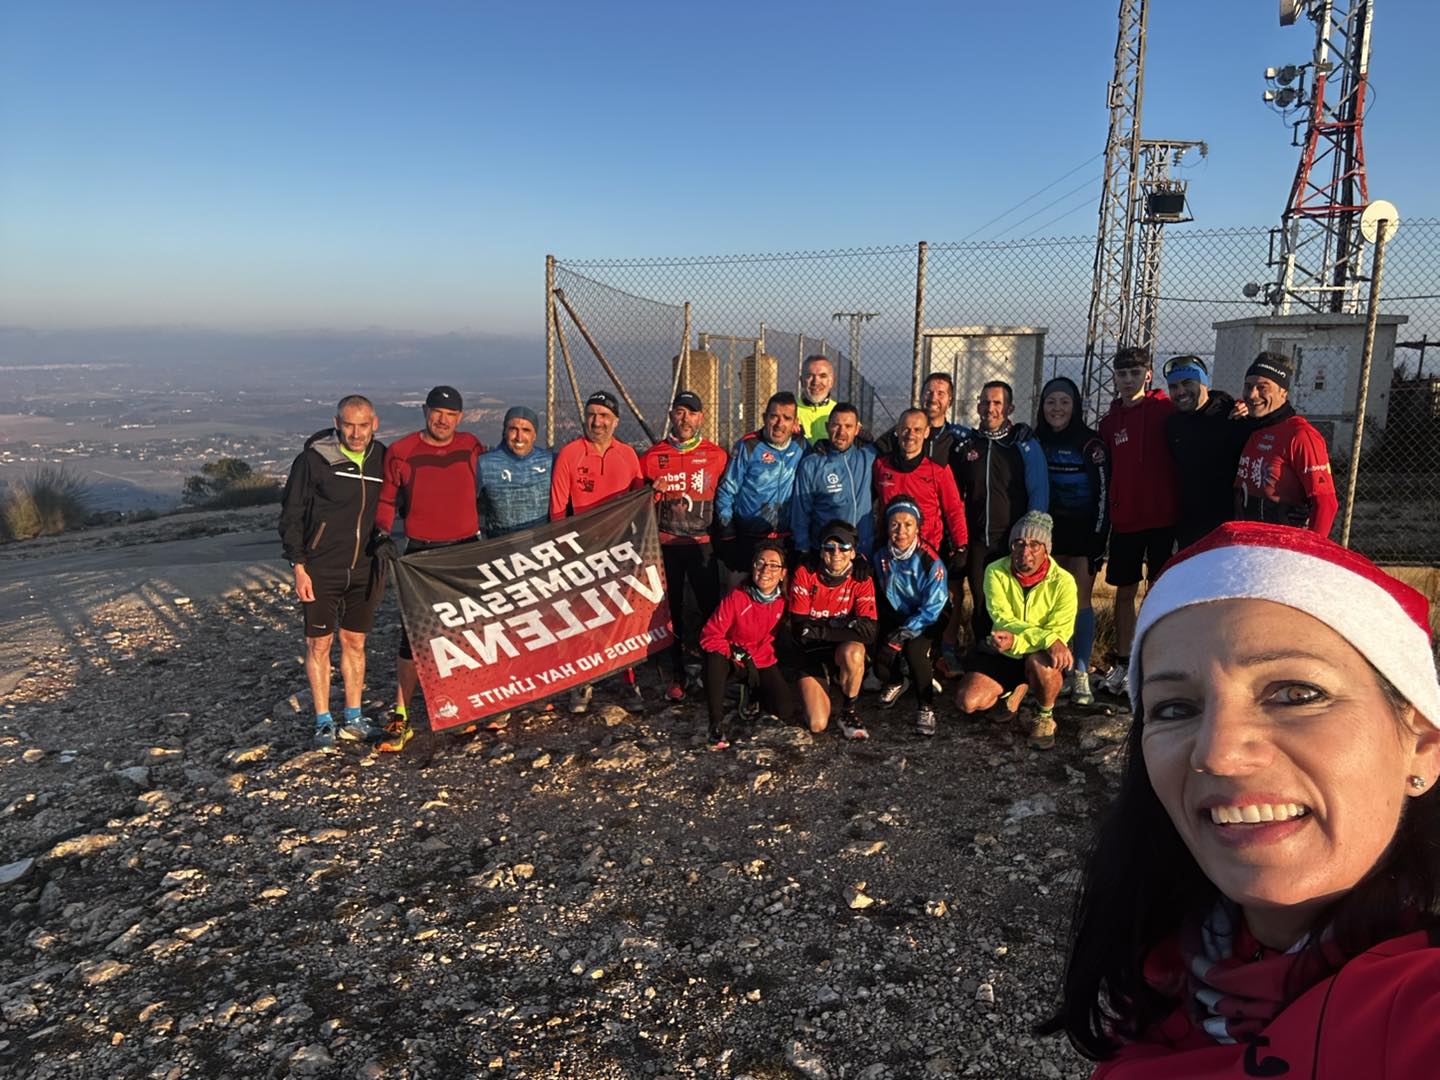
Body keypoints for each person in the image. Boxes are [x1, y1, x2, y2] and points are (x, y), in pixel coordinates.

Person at [1044, 522, 1440, 1077]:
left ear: (1421, 746)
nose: (1219, 753)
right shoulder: (1169, 970)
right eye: (1175, 708)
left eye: (1296, 694)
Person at [370, 385, 484, 752]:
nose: (442, 420)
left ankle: (464, 704)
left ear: (460, 418)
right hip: (421, 554)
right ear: (425, 411)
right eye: (437, 412)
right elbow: (387, 498)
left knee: (465, 630)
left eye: (450, 415)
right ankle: (401, 714)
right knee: (414, 637)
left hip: (465, 550)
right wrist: (383, 533)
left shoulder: (471, 446)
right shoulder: (402, 452)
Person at [278, 394, 386, 748]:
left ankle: (354, 717)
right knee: (318, 643)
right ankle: (323, 720)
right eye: (349, 425)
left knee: (355, 641)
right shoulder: (313, 461)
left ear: (375, 424)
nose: (356, 433)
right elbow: (291, 516)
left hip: (365, 567)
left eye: (363, 425)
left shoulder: (382, 459)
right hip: (321, 567)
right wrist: (298, 566)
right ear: (337, 423)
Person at [551, 389, 646, 714]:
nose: (597, 421)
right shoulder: (569, 454)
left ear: (616, 421)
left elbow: (640, 502)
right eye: (592, 414)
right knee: (583, 617)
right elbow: (557, 510)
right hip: (582, 550)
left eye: (604, 416)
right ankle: (583, 682)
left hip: (619, 549)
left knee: (622, 615)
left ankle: (627, 678)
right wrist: (565, 549)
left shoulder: (628, 456)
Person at [954, 511, 1077, 750]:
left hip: (1038, 654)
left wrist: (1042, 639)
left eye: (1034, 545)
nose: (1025, 551)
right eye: (1018, 544)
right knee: (968, 702)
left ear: (1046, 549)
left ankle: (1044, 716)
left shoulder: (1064, 582)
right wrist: (1047, 638)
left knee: (1045, 665)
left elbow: (1060, 631)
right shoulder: (995, 571)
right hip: (1006, 650)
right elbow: (1002, 619)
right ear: (1011, 546)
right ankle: (1016, 688)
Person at [1097, 347, 1178, 698]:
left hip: (1163, 518)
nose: (1128, 380)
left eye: (1135, 374)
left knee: (1158, 591)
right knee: (1124, 591)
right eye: (1122, 374)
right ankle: (1124, 661)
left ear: (1148, 375)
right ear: (1114, 378)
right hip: (1126, 519)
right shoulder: (1109, 422)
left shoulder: (1167, 411)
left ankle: (1155, 662)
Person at [640, 390, 728, 702]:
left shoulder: (717, 455)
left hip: (702, 545)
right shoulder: (652, 456)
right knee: (669, 611)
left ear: (701, 417)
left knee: (710, 610)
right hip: (666, 547)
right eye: (679, 412)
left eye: (691, 413)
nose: (685, 419)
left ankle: (711, 669)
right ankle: (676, 672)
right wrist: (651, 494)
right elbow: (639, 507)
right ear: (671, 416)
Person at [950, 380, 1050, 648]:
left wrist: (1031, 540)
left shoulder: (1023, 443)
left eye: (997, 403)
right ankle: (982, 655)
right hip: (978, 539)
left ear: (1009, 407)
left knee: (1014, 601)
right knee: (982, 601)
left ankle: (1020, 658)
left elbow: (1039, 492)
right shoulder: (968, 444)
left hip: (1013, 541)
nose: (989, 408)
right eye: (984, 402)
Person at [1035, 377, 1108, 706]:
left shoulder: (1090, 444)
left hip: (1083, 532)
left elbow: (1104, 494)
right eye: (1051, 402)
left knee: (1079, 601)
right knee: (1050, 603)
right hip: (1048, 533)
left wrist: (1099, 538)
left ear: (1075, 406)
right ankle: (1056, 669)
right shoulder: (1036, 440)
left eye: (1064, 402)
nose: (1057, 409)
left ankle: (1081, 672)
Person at [698, 538, 793, 750]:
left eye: (773, 565)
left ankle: (747, 691)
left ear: (782, 573)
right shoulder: (737, 597)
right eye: (760, 563)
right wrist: (737, 653)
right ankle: (715, 724)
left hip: (761, 658)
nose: (766, 570)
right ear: (753, 567)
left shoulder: (784, 601)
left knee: (784, 708)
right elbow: (709, 636)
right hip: (732, 656)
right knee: (714, 659)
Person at [787, 520, 878, 739]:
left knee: (854, 651)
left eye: (844, 547)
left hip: (838, 648)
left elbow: (869, 632)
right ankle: (826, 683)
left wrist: (821, 630)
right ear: (820, 552)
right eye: (829, 547)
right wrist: (847, 625)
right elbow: (801, 628)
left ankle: (848, 709)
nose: (836, 553)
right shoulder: (806, 572)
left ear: (853, 552)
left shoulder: (861, 577)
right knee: (817, 724)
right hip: (811, 652)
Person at [1233, 351, 1338, 536]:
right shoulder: (1253, 426)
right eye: (1248, 386)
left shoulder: (1300, 435)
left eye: (1262, 387)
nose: (1252, 394)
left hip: (1282, 548)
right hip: (1249, 543)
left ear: (1284, 391)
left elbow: (1326, 504)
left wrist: (1310, 552)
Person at [872, 497, 949, 737]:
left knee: (915, 653)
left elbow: (933, 608)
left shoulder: (929, 561)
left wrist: (903, 634)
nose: (901, 531)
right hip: (897, 615)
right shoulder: (880, 554)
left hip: (927, 618)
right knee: (879, 658)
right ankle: (896, 680)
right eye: (894, 524)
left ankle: (926, 706)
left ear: (917, 527)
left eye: (908, 524)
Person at [1162, 356, 1251, 549]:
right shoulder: (1173, 424)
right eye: (1174, 387)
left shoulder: (1233, 415)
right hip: (1189, 524)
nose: (1180, 392)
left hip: (1227, 524)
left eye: (1187, 383)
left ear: (1203, 383)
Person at [714, 391, 806, 577]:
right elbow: (726, 491)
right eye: (774, 417)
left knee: (782, 597)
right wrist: (728, 532)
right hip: (748, 536)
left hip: (785, 538)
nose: (780, 424)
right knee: (739, 592)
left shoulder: (802, 446)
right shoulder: (748, 446)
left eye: (787, 418)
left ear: (795, 422)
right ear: (765, 418)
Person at [872, 407, 968, 558]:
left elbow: (954, 510)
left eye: (917, 430)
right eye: (906, 429)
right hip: (890, 551)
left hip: (926, 552)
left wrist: (961, 546)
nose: (911, 435)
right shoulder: (881, 466)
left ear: (926, 432)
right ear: (897, 430)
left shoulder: (938, 470)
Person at [790, 402, 877, 556]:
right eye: (836, 425)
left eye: (848, 426)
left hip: (861, 554)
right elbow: (801, 512)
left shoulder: (868, 457)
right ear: (827, 426)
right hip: (828, 553)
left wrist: (869, 438)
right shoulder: (811, 464)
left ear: (857, 430)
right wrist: (802, 550)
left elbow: (901, 433)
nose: (841, 432)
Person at [477, 405, 553, 538]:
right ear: (505, 431)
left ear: (534, 435)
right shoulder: (485, 464)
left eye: (526, 430)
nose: (519, 437)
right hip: (500, 546)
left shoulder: (550, 461)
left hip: (541, 544)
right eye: (513, 429)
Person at [875, 371, 960, 464]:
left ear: (949, 401)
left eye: (940, 394)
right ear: (921, 396)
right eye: (929, 392)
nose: (933, 399)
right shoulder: (900, 434)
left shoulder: (957, 440)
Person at [795, 355, 838, 442]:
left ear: (831, 382)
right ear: (802, 381)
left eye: (822, 376)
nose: (816, 382)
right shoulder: (789, 411)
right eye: (810, 376)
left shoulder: (841, 413)